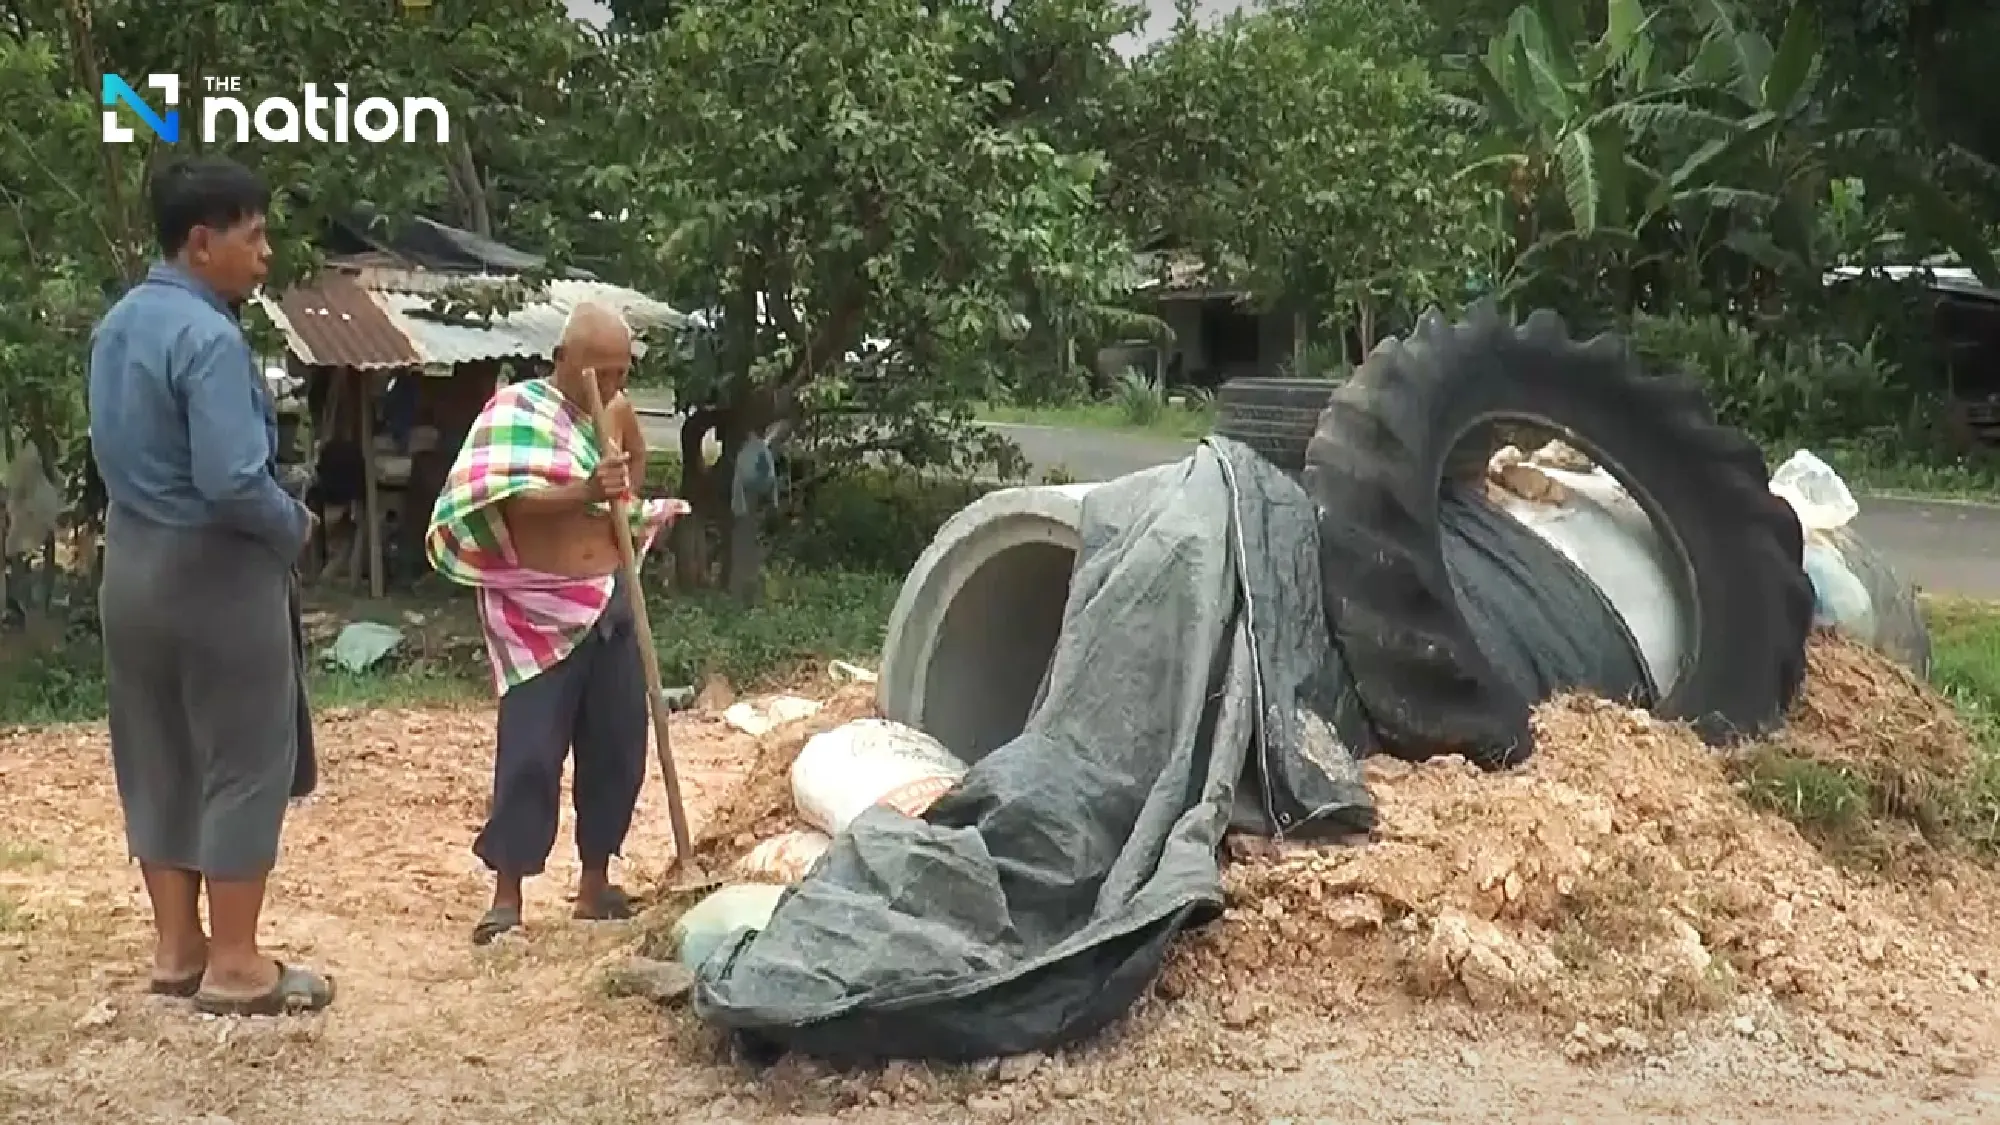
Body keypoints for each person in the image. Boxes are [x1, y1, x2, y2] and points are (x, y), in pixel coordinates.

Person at [88, 156, 333, 1016]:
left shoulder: (116, 326)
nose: (265, 253)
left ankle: (177, 947)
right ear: (203, 242)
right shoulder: (210, 337)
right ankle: (236, 963)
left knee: (156, 749)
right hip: (214, 570)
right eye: (253, 235)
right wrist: (292, 525)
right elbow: (232, 479)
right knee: (242, 755)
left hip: (132, 565)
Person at [425, 303, 686, 944]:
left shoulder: (617, 411)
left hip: (610, 598)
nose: (615, 385)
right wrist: (583, 494)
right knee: (532, 753)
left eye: (624, 372)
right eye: (604, 372)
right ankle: (507, 895)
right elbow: (498, 498)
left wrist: (621, 496)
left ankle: (594, 883)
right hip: (535, 611)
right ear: (566, 361)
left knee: (619, 744)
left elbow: (630, 468)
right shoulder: (515, 411)